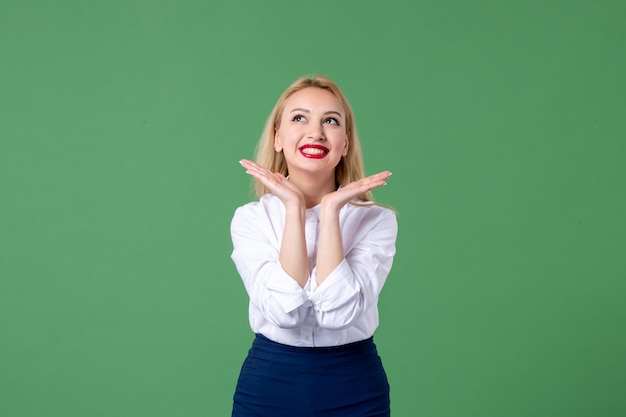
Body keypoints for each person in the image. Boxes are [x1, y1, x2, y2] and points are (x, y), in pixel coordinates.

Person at [230, 75, 398, 417]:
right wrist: (294, 208)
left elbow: (338, 315)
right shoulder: (251, 219)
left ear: (345, 143)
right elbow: (283, 313)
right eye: (299, 118)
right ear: (277, 138)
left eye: (331, 121)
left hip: (354, 388)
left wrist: (332, 210)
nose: (316, 132)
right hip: (269, 385)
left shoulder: (377, 221)